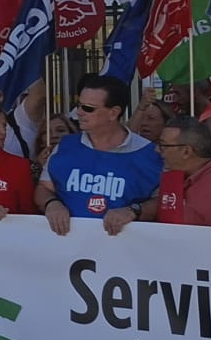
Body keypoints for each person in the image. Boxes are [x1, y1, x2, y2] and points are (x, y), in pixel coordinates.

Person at [35, 74, 163, 237]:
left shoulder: (151, 154)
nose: (79, 112)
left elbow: (163, 201)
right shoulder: (64, 146)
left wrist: (134, 211)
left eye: (88, 108)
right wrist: (51, 204)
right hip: (68, 250)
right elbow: (44, 188)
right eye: (79, 105)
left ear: (113, 113)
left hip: (126, 252)